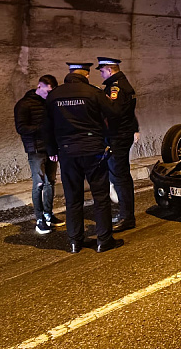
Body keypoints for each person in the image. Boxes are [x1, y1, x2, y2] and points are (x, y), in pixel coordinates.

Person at [44, 62, 122, 253]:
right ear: (86, 75)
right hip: (93, 151)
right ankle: (103, 241)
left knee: (73, 199)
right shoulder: (93, 93)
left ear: (69, 74)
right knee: (100, 197)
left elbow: (45, 126)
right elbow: (113, 114)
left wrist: (51, 150)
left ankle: (74, 242)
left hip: (67, 153)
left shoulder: (54, 95)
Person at [14, 74, 63, 235]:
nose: (49, 95)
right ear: (39, 86)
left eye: (51, 92)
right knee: (39, 183)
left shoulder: (50, 103)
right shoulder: (24, 104)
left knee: (50, 182)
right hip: (35, 149)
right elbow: (21, 128)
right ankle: (40, 219)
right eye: (47, 91)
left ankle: (49, 215)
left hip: (50, 148)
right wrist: (41, 128)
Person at [96, 57, 139, 232]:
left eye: (102, 70)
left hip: (117, 137)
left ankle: (127, 217)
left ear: (109, 70)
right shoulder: (121, 84)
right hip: (121, 135)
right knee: (119, 176)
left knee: (120, 177)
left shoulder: (116, 88)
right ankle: (125, 213)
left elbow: (115, 113)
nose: (100, 73)